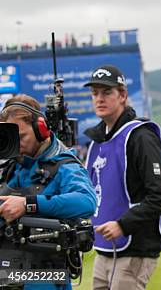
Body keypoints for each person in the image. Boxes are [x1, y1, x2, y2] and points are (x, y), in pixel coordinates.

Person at [83, 65, 161, 290]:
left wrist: (124, 225)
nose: (99, 99)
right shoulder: (97, 141)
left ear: (122, 95)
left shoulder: (140, 136)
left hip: (135, 246)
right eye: (95, 93)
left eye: (106, 92)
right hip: (105, 247)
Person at [0, 94, 97, 290]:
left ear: (40, 129)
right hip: (7, 269)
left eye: (21, 137)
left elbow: (87, 201)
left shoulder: (65, 165)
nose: (17, 145)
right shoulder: (11, 166)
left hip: (45, 274)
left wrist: (28, 204)